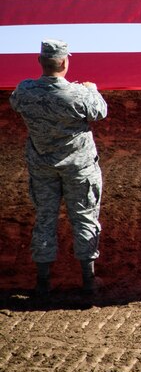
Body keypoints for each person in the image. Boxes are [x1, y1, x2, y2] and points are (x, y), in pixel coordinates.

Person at [9, 39, 108, 297]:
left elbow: (15, 103)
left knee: (44, 219)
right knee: (85, 218)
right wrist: (92, 90)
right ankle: (88, 279)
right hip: (79, 168)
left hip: (42, 167)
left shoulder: (25, 91)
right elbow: (100, 112)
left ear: (40, 61)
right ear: (64, 62)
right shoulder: (78, 95)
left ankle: (43, 281)